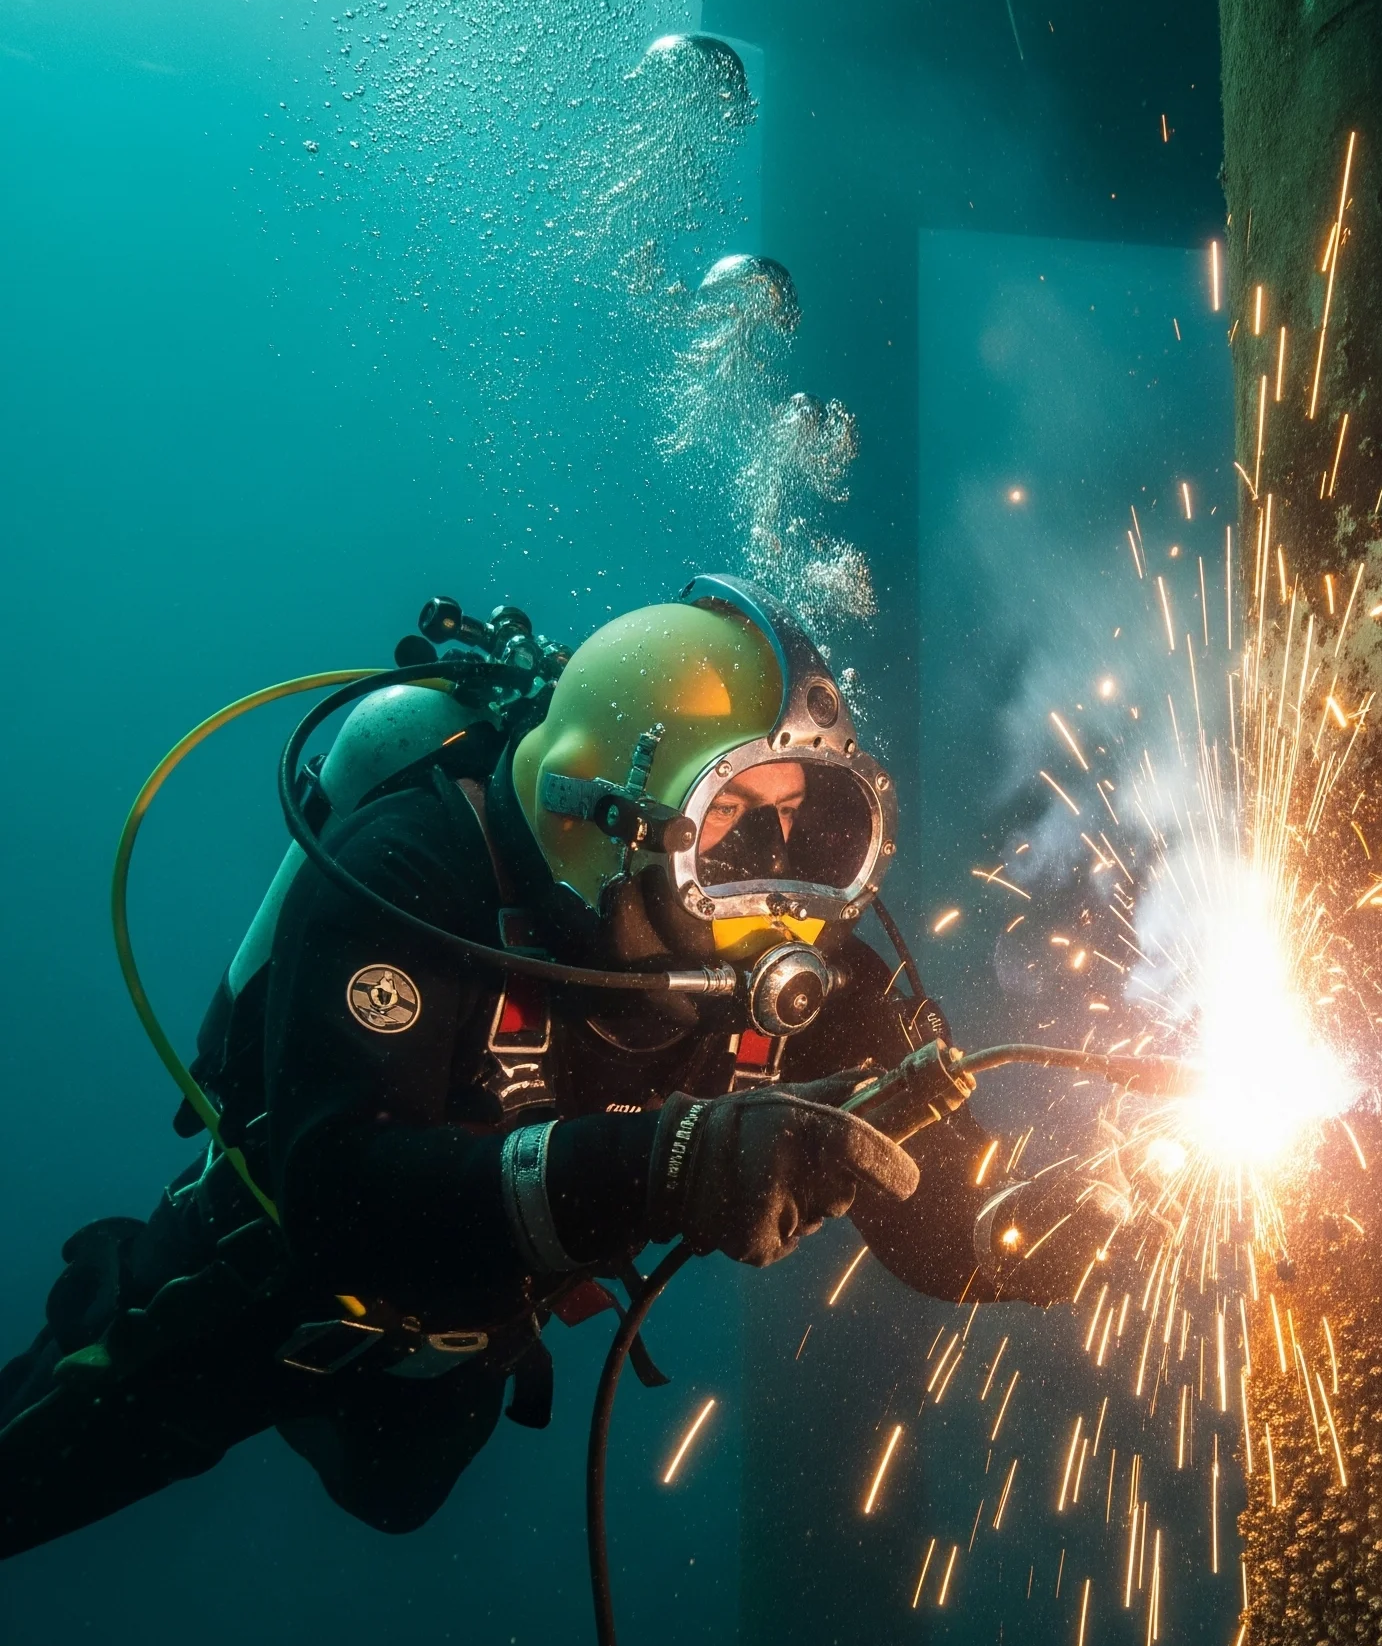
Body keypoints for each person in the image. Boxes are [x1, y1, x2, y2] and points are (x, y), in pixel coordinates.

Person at [0, 579, 1121, 1557]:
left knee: (396, 1492)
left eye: (812, 825)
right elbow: (339, 1190)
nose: (780, 878)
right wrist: (663, 1167)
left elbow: (922, 1187)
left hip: (466, 1348)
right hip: (253, 1297)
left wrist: (1009, 1238)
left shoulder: (793, 966)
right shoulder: (407, 871)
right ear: (615, 815)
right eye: (734, 820)